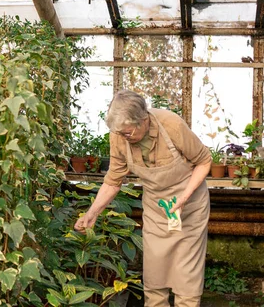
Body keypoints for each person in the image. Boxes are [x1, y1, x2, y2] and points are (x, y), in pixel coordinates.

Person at [74, 90, 211, 307]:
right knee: (154, 281)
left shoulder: (172, 125)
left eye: (127, 133)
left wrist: (183, 199)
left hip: (189, 208)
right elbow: (113, 180)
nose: (122, 137)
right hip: (157, 210)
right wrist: (92, 213)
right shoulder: (119, 135)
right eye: (119, 133)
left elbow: (204, 160)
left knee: (187, 282)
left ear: (143, 121)